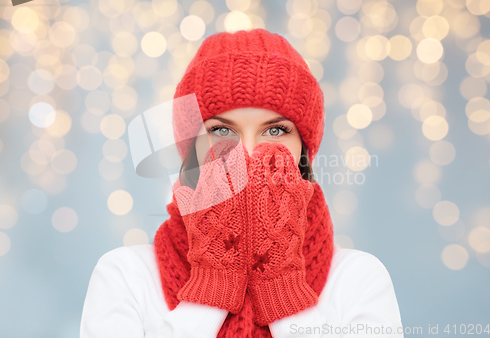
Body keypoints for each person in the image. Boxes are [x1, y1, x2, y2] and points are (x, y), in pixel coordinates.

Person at [80, 29, 404, 338]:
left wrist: (283, 288)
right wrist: (212, 284)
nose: (248, 153)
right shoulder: (126, 275)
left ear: (304, 150)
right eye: (221, 131)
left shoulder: (359, 279)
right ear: (191, 147)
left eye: (275, 131)